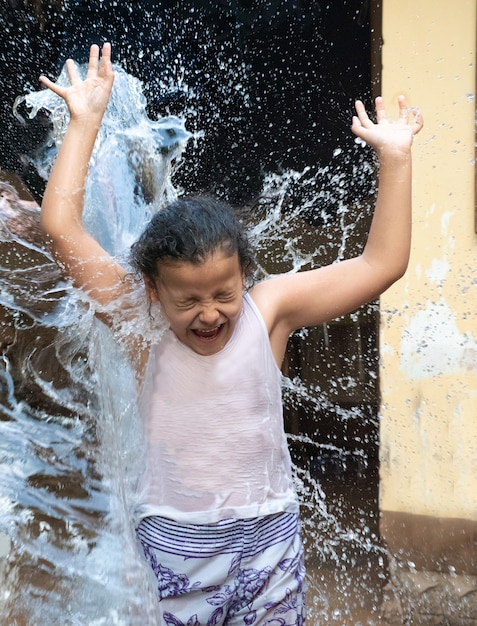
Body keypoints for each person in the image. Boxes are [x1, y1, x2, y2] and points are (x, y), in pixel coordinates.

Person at [39, 43, 423, 625]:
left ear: (244, 275)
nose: (210, 314)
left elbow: (381, 264)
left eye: (223, 294)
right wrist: (85, 122)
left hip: (268, 536)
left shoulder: (269, 309)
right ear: (152, 290)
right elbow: (61, 225)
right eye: (187, 299)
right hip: (175, 539)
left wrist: (395, 158)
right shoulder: (139, 323)